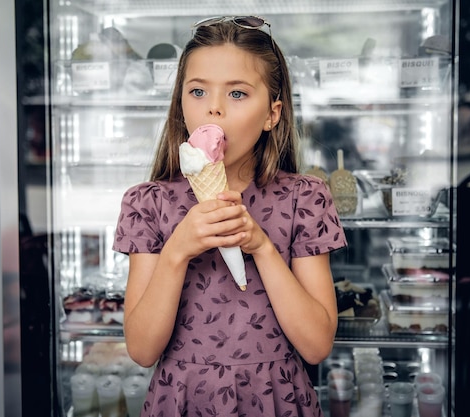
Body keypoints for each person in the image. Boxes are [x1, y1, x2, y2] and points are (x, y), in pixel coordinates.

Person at [114, 16, 347, 416]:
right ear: (180, 102)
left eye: (237, 94)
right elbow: (141, 349)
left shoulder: (305, 198)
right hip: (182, 398)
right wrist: (177, 252)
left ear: (272, 114)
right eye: (198, 90)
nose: (214, 108)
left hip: (279, 399)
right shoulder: (147, 204)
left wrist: (262, 247)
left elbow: (316, 345)